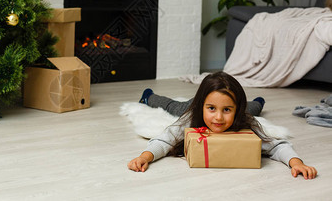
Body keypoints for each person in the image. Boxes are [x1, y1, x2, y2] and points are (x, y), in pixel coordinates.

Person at [127, 71, 318, 179]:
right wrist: (145, 156)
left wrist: (296, 162)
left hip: (242, 107)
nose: (218, 118)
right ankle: (148, 95)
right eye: (211, 109)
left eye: (227, 110)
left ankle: (258, 101)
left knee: (253, 108)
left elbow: (277, 146)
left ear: (236, 109)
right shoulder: (192, 116)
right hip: (189, 106)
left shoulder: (243, 119)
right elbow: (165, 139)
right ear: (203, 106)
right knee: (172, 106)